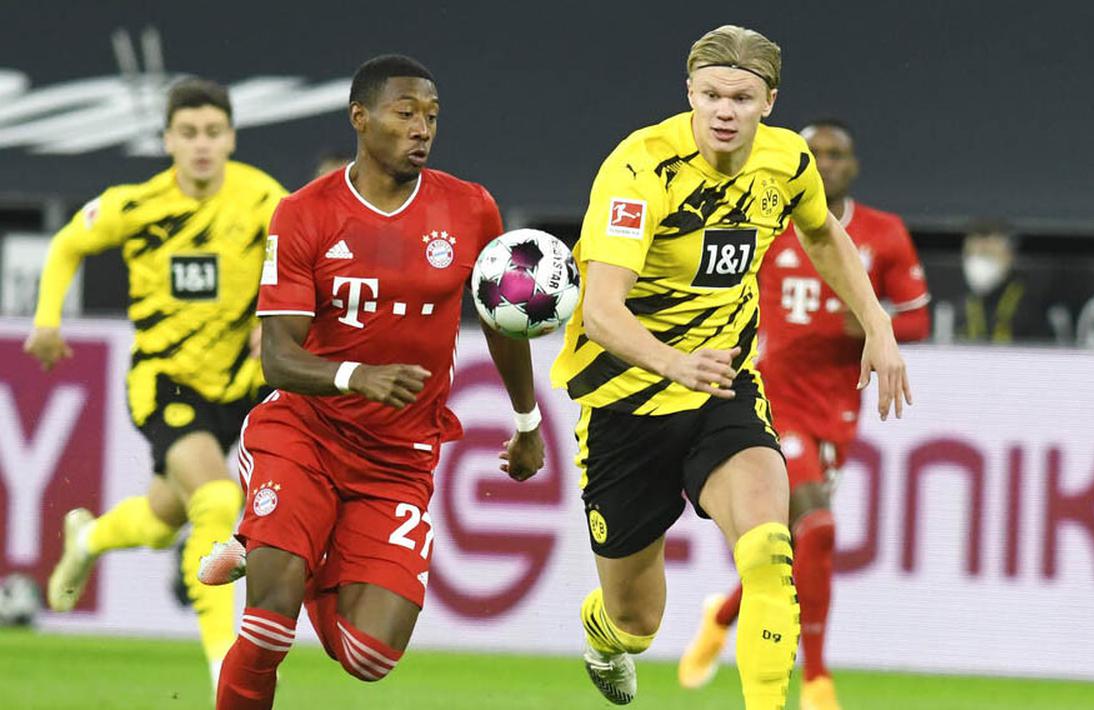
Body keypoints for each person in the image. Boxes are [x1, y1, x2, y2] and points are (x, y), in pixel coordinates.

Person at [550, 26, 911, 710]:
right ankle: (602, 634)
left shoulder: (785, 160)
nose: (723, 110)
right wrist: (671, 363)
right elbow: (601, 310)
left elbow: (821, 231)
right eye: (711, 94)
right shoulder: (639, 168)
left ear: (767, 102)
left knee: (770, 552)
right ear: (688, 93)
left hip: (722, 390)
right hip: (625, 405)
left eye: (741, 98)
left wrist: (876, 324)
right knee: (638, 621)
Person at [209, 54, 545, 710]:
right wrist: (352, 375)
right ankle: (286, 544)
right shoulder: (305, 214)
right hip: (305, 435)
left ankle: (297, 549)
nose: (422, 128)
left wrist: (527, 422)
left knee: (368, 657)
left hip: (398, 457)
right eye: (405, 114)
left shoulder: (470, 208)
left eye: (432, 116)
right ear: (360, 119)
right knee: (268, 625)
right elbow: (276, 358)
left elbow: (502, 322)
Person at [24, 77, 286, 690]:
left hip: (243, 385)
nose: (201, 146)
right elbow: (65, 245)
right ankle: (226, 665)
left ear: (231, 138)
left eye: (213, 133)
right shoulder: (134, 204)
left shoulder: (264, 198)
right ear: (168, 139)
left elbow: (306, 254)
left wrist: (273, 315)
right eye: (189, 133)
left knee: (166, 516)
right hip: (168, 386)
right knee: (220, 501)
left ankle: (87, 536)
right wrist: (46, 321)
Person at [677, 119, 931, 710]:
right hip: (772, 395)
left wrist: (866, 327)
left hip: (839, 403)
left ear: (853, 166)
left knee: (792, 543)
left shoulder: (883, 234)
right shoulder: (766, 223)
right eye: (813, 153)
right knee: (815, 526)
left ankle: (724, 612)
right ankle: (816, 678)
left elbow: (916, 317)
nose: (824, 162)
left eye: (836, 154)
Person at [955, 221, 1053, 342]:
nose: (979, 264)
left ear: (1009, 255)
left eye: (987, 255)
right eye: (972, 255)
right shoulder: (959, 305)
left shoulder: (1031, 304)